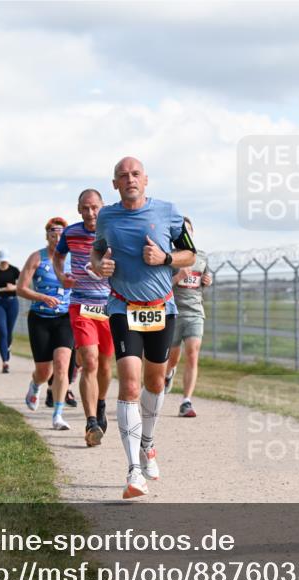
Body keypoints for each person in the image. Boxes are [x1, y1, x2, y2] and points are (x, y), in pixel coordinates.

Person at [91, 156, 197, 499]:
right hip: (123, 307)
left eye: (135, 174)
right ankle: (133, 471)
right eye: (123, 175)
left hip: (161, 308)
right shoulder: (106, 216)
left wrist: (165, 259)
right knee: (130, 385)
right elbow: (96, 254)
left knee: (155, 381)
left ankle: (147, 443)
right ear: (115, 184)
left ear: (146, 180)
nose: (130, 179)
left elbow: (190, 255)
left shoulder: (168, 212)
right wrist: (100, 265)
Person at [53, 189, 116, 447]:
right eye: (85, 208)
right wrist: (61, 276)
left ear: (102, 207)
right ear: (79, 210)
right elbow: (59, 256)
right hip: (81, 305)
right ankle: (91, 422)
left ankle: (100, 404)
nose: (90, 213)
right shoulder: (71, 233)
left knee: (104, 364)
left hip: (111, 308)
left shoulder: (113, 232)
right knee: (89, 360)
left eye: (94, 207)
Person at [17, 217, 75, 430]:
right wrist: (42, 298)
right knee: (44, 371)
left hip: (65, 318)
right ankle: (35, 385)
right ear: (47, 235)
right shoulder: (37, 258)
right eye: (53, 233)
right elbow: (21, 288)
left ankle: (57, 415)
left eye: (61, 233)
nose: (57, 237)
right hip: (40, 319)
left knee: (61, 364)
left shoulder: (73, 258)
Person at [164, 216, 213, 417]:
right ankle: (168, 375)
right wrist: (178, 277)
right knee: (173, 357)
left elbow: (203, 280)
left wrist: (208, 281)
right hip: (173, 312)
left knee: (192, 352)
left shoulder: (201, 257)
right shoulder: (169, 257)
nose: (186, 232)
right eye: (182, 229)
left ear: (192, 233)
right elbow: (161, 286)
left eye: (188, 229)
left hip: (195, 312)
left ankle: (186, 401)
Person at [0, 250, 20, 373]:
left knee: (9, 331)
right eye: (2, 260)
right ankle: (5, 362)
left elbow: (23, 284)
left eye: (5, 260)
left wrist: (13, 287)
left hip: (12, 302)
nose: (4, 262)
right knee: (3, 331)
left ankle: (8, 347)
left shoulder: (14, 270)